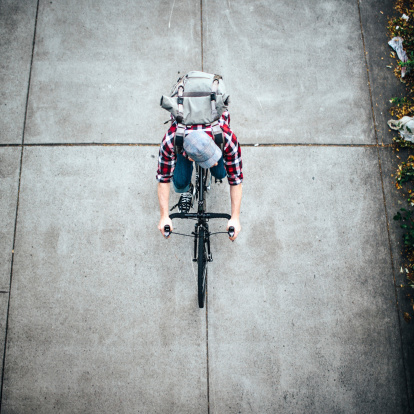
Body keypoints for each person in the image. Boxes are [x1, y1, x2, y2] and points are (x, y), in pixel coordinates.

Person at [156, 111, 243, 241]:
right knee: (180, 183)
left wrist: (235, 218)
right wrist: (164, 216)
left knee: (220, 173)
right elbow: (163, 178)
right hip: (184, 141)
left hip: (215, 136)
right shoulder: (171, 140)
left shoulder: (227, 138)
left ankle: (210, 170)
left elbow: (236, 179)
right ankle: (188, 189)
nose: (211, 163)